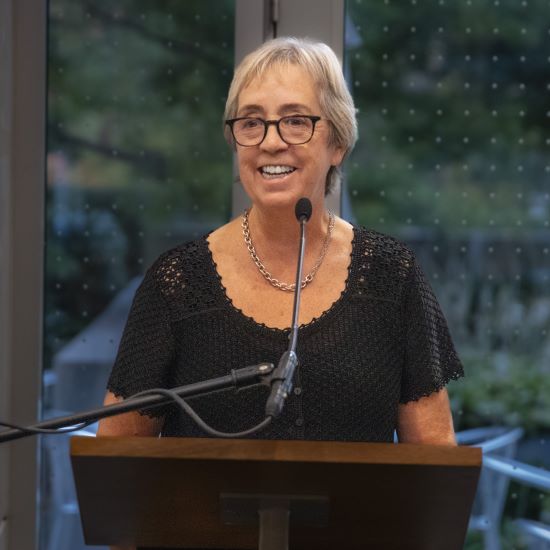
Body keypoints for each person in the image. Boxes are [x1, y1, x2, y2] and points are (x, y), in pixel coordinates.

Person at [98, 36, 463, 549]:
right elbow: (119, 476)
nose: (271, 141)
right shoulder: (176, 282)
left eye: (296, 120)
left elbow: (436, 470)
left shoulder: (390, 276)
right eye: (251, 122)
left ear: (337, 141)